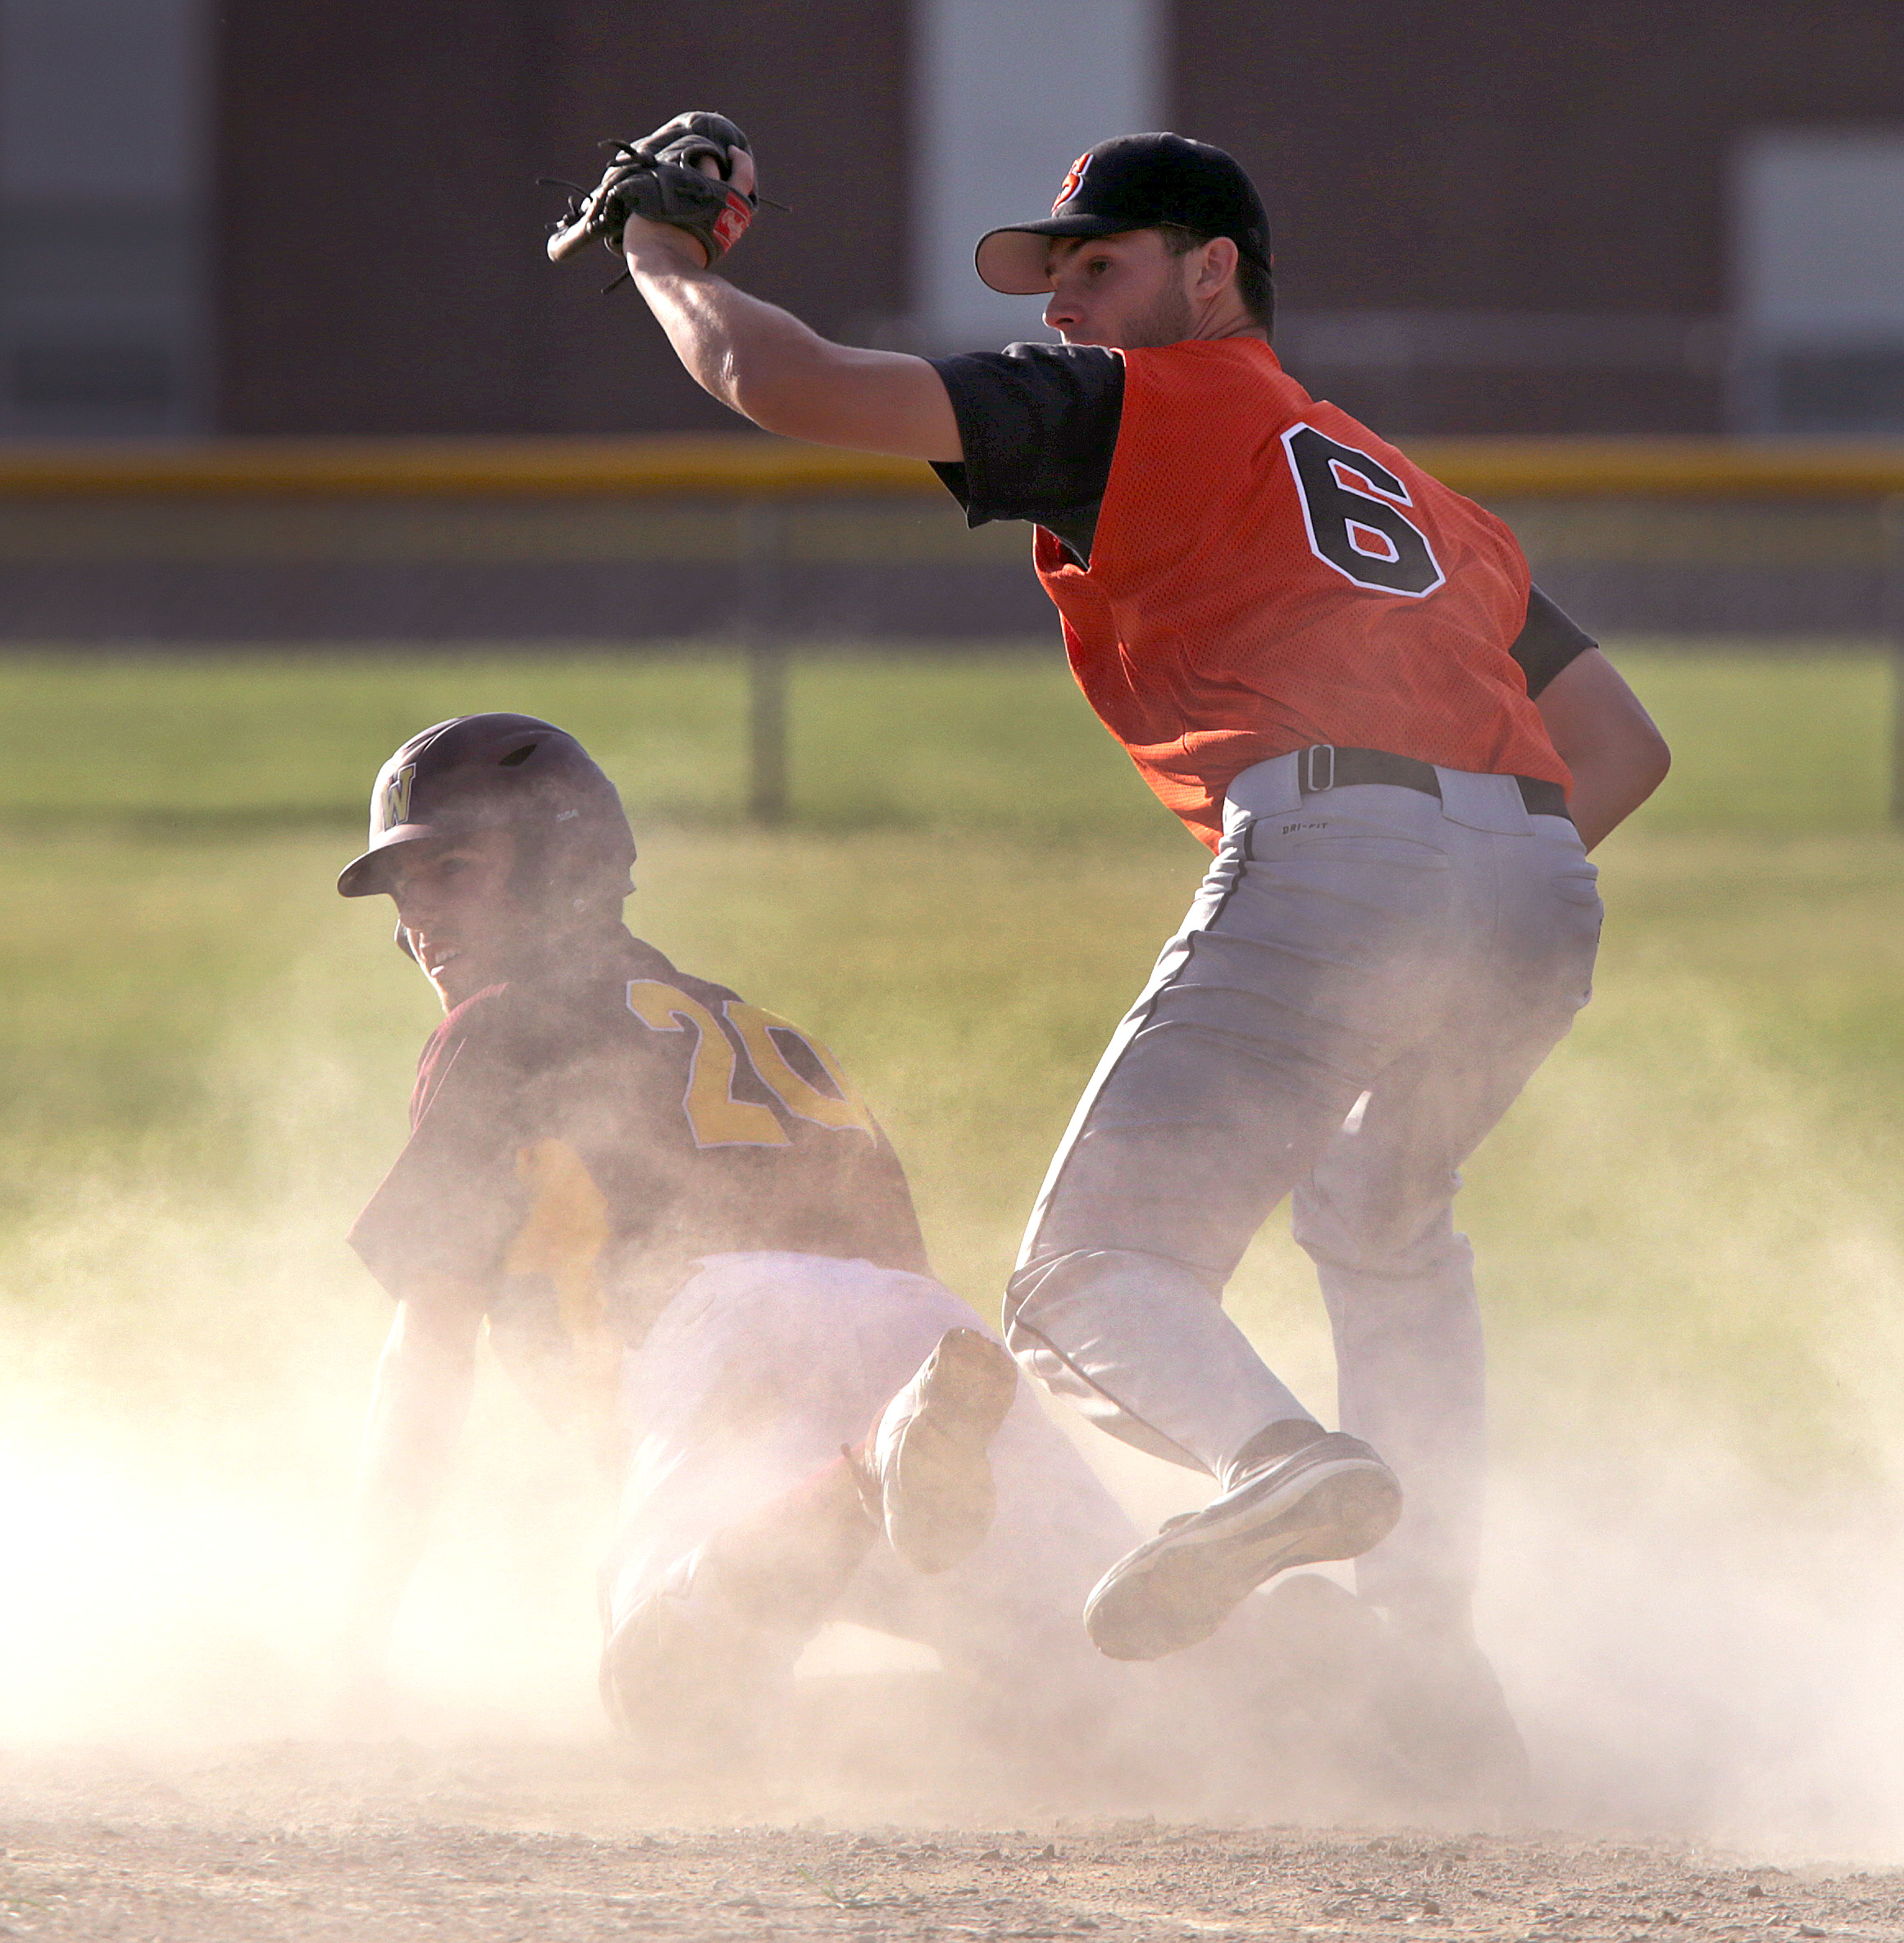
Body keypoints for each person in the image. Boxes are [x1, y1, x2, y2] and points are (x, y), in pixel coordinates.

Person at [558, 117, 1672, 1778]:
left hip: (1334, 840)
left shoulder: (1138, 403)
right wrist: (1453, 874)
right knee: (1383, 1224)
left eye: (1101, 264)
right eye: (1052, 276)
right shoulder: (1425, 500)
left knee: (1087, 1281)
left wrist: (663, 252)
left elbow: (776, 380)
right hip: (1529, 876)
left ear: (1213, 274)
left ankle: (1278, 1460)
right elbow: (1624, 748)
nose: (1067, 302)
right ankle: (1427, 1652)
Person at [333, 712, 1155, 1762]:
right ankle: (1323, 1660)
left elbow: (429, 1351)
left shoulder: (497, 1024)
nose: (418, 923)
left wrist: (357, 1642)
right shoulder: (770, 1034)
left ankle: (861, 1480)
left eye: (451, 871)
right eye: (404, 895)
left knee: (669, 1696)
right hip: (924, 1340)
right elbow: (879, 1279)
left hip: (723, 1341)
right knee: (1108, 1684)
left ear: (559, 860)